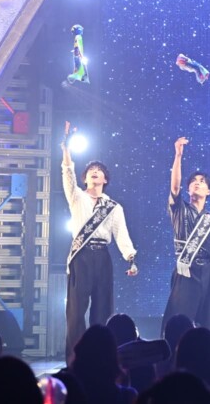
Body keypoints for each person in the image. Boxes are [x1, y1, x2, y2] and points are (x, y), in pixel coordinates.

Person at [62, 131, 137, 358]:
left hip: (103, 257)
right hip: (81, 256)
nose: (95, 172)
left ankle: (101, 357)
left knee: (103, 310)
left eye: (99, 171)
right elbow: (67, 173)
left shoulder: (114, 207)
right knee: (76, 312)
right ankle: (75, 359)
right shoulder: (76, 197)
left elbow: (121, 234)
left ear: (105, 179)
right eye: (90, 171)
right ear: (85, 178)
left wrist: (130, 259)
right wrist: (66, 148)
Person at [162, 137, 210, 333]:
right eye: (193, 182)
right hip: (186, 271)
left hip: (208, 273)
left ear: (209, 191)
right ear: (188, 189)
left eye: (202, 182)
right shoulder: (179, 209)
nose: (197, 183)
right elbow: (174, 187)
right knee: (180, 320)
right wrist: (178, 155)